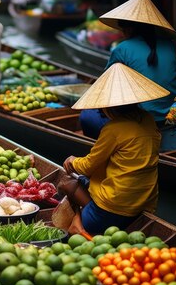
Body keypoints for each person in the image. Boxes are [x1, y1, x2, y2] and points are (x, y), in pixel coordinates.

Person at [62, 63, 169, 235]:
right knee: (79, 183)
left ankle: (78, 223)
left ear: (108, 108)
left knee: (66, 184)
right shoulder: (148, 119)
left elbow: (88, 166)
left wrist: (72, 160)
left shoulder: (114, 129)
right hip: (145, 200)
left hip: (115, 204)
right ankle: (82, 217)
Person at [79, 0, 176, 139]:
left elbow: (106, 90)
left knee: (87, 115)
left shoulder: (122, 49)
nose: (122, 32)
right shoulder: (170, 45)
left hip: (144, 119)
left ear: (129, 29)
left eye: (122, 28)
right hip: (175, 114)